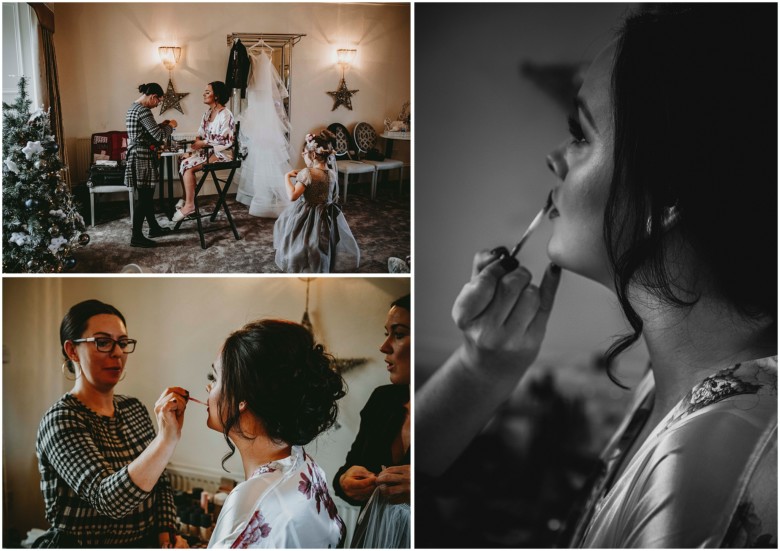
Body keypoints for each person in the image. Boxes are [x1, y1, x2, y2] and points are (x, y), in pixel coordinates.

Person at [417, 5, 777, 548]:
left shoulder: (709, 453)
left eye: (579, 134)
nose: (554, 158)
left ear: (665, 193)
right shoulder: (684, 386)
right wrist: (482, 367)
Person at [35, 299, 189, 547]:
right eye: (103, 342)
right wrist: (166, 439)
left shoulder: (134, 408)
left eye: (122, 342)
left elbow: (159, 479)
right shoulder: (61, 419)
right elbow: (107, 500)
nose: (117, 352)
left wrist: (167, 530)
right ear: (72, 350)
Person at [206, 319, 347, 548]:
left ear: (241, 397)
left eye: (214, 378)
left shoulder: (249, 507)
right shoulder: (304, 465)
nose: (208, 389)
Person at [334, 295, 411, 548]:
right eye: (386, 333)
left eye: (398, 334)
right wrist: (346, 482)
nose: (384, 347)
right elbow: (349, 468)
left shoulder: (459, 413)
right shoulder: (382, 400)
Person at [273, 131, 360, 273]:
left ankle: (301, 265)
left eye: (304, 154)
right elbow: (333, 196)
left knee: (302, 240)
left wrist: (286, 177)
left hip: (307, 215)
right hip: (326, 214)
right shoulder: (332, 174)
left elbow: (293, 196)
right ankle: (320, 266)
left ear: (313, 155)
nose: (303, 157)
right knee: (320, 241)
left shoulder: (307, 173)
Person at [125, 83, 177, 248]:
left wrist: (160, 125)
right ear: (153, 96)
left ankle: (153, 228)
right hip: (142, 156)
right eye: (158, 101)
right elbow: (159, 136)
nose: (157, 105)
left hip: (137, 153)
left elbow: (146, 132)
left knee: (145, 196)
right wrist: (171, 126)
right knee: (145, 197)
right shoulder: (143, 110)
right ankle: (137, 236)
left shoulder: (133, 108)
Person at [174, 81, 236, 222]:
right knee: (182, 160)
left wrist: (204, 143)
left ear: (217, 96)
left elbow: (226, 139)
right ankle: (186, 198)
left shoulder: (226, 114)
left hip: (222, 152)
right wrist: (191, 150)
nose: (204, 94)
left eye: (208, 92)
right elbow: (200, 135)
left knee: (188, 167)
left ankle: (189, 205)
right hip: (207, 151)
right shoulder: (207, 113)